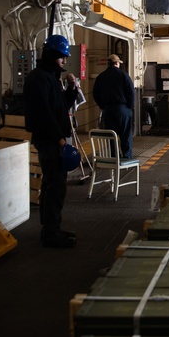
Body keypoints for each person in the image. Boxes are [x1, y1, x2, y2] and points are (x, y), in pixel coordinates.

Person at [24, 33, 79, 248]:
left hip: (55, 139)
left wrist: (72, 90)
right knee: (55, 186)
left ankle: (51, 228)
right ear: (51, 56)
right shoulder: (38, 79)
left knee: (52, 185)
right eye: (62, 57)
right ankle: (50, 232)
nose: (65, 61)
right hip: (49, 141)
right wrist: (60, 141)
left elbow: (60, 107)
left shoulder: (51, 78)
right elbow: (44, 114)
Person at [92, 54, 135, 159]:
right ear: (117, 63)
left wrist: (103, 106)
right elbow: (131, 92)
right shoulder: (123, 75)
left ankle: (114, 158)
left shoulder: (101, 77)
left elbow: (95, 94)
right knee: (125, 136)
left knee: (111, 136)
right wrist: (128, 107)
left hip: (108, 110)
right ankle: (126, 158)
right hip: (123, 109)